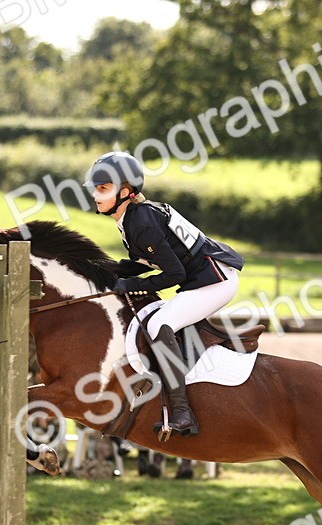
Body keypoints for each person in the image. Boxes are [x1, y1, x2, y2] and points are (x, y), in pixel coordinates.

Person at [84, 151, 245, 439]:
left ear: (125, 192)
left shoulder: (141, 223)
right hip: (201, 277)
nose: (96, 195)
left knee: (159, 324)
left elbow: (174, 276)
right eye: (96, 188)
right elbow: (148, 261)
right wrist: (106, 270)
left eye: (103, 188)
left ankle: (182, 412)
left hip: (214, 280)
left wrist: (127, 284)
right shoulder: (133, 217)